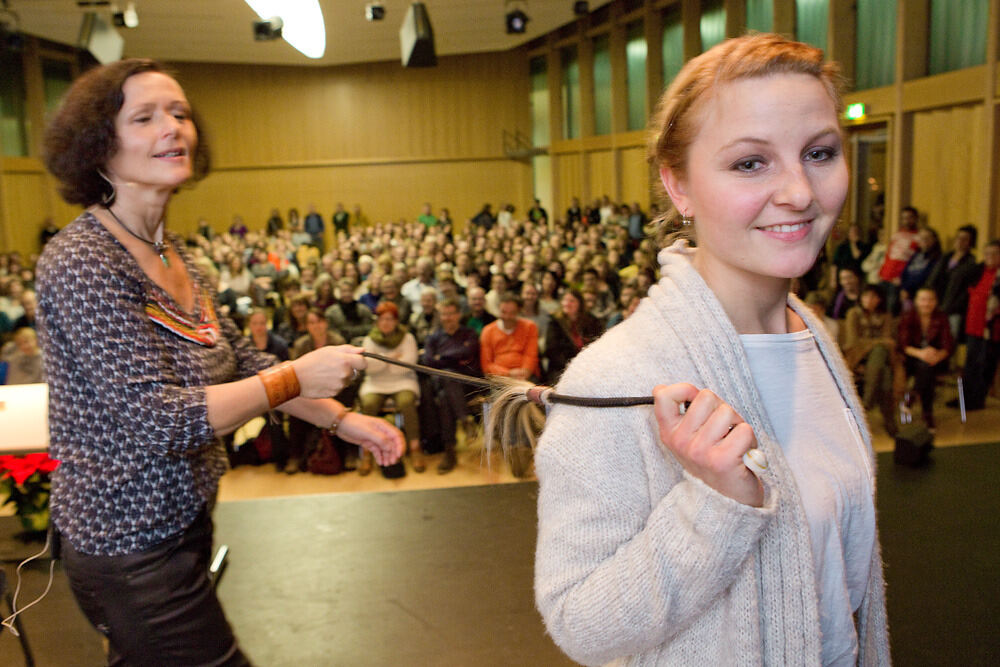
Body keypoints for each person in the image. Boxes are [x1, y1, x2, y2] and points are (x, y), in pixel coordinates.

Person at [534, 34, 889, 666]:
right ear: (679, 188)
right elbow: (579, 622)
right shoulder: (616, 375)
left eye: (819, 153)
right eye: (750, 163)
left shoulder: (813, 339)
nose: (800, 192)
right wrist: (714, 507)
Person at [36, 59, 403, 666]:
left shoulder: (176, 255)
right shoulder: (82, 262)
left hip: (183, 523)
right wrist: (295, 375)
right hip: (129, 545)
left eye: (180, 114)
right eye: (145, 117)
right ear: (98, 144)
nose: (173, 128)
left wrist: (342, 420)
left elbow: (242, 364)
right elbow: (160, 422)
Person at [359, 302, 423, 475]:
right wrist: (391, 358)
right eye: (382, 319)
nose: (386, 323)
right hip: (375, 383)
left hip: (403, 382)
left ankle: (415, 448)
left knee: (407, 402)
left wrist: (381, 361)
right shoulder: (369, 339)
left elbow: (408, 365)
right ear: (377, 321)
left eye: (389, 319)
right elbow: (368, 366)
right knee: (368, 405)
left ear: (396, 321)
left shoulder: (407, 338)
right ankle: (367, 451)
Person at [422, 299, 482, 473]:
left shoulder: (469, 334)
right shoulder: (434, 337)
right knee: (448, 380)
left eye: (451, 313)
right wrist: (454, 360)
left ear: (458, 315)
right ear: (440, 316)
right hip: (443, 383)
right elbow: (427, 360)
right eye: (444, 314)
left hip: (467, 384)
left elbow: (468, 352)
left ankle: (450, 452)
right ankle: (465, 421)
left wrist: (442, 358)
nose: (448, 318)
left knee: (445, 396)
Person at [842, 285, 899, 436]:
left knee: (880, 355)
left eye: (874, 297)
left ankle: (866, 404)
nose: (869, 300)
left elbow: (889, 342)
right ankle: (889, 419)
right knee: (884, 371)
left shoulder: (885, 316)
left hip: (879, 360)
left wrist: (877, 344)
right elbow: (853, 342)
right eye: (866, 296)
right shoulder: (853, 313)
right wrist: (878, 343)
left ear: (880, 299)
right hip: (857, 357)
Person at [898, 288, 954, 430]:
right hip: (912, 359)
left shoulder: (941, 317)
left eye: (930, 300)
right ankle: (928, 414)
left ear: (935, 302)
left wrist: (937, 356)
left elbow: (948, 345)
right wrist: (922, 354)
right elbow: (903, 345)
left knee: (927, 368)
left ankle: (912, 397)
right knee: (925, 368)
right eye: (923, 299)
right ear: (916, 301)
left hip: (937, 360)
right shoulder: (907, 317)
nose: (926, 303)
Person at [542, 289, 602, 383]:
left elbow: (597, 345)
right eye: (565, 300)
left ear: (580, 303)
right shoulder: (555, 322)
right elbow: (552, 351)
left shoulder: (591, 321)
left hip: (588, 365)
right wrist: (571, 366)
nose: (567, 303)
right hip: (562, 367)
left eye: (571, 301)